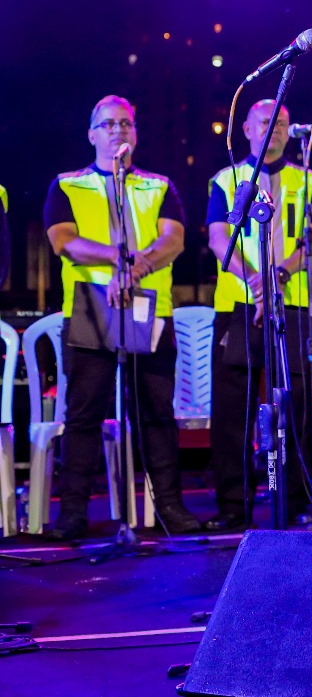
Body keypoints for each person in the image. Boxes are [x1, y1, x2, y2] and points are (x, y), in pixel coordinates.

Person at [42, 95, 201, 540]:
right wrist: (119, 260)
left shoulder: (157, 185)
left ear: (135, 133)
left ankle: (169, 507)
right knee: (84, 412)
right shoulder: (68, 184)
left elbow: (173, 240)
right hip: (92, 304)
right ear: (91, 133)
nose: (117, 131)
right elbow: (63, 240)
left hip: (150, 306)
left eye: (125, 124)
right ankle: (72, 513)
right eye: (108, 124)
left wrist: (135, 268)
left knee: (155, 412)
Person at [204, 99, 312, 531]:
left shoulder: (308, 179)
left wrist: (279, 276)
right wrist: (257, 283)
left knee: (295, 402)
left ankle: (296, 500)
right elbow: (220, 240)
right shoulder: (227, 179)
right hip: (237, 305)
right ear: (248, 130)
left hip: (290, 304)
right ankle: (234, 506)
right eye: (265, 122)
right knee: (234, 405)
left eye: (282, 123)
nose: (273, 129)